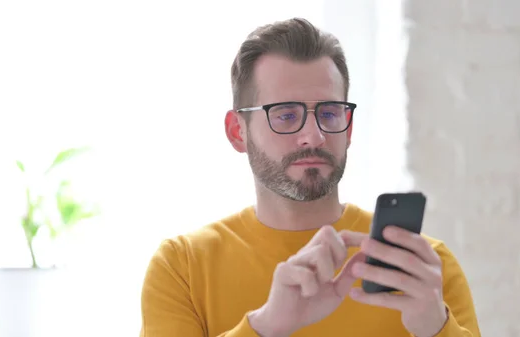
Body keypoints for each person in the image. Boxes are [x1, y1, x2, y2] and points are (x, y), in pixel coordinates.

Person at [139, 17, 481, 337]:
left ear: (349, 130)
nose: (314, 136)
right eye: (286, 115)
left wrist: (436, 328)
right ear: (237, 132)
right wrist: (266, 325)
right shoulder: (181, 266)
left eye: (330, 113)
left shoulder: (422, 269)